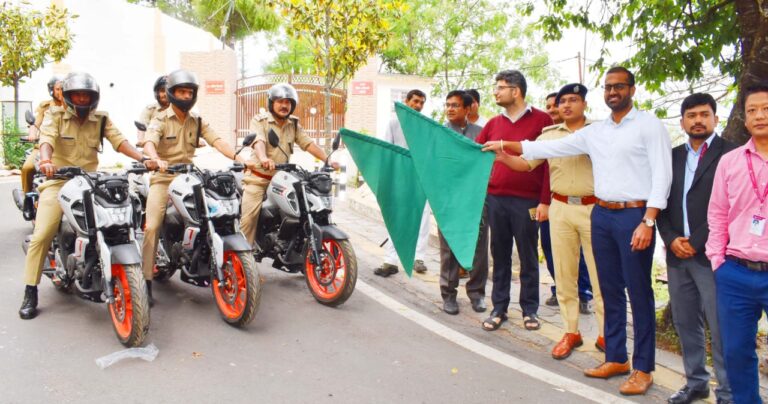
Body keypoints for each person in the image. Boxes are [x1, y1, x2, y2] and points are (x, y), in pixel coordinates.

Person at [486, 66, 672, 395]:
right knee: (611, 290)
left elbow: (663, 175)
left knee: (638, 294)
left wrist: (649, 220)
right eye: (608, 87)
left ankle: (643, 368)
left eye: (619, 87)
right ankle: (616, 357)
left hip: (634, 216)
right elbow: (545, 149)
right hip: (602, 214)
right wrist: (502, 144)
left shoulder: (648, 125)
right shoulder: (596, 132)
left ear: (631, 89)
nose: (613, 92)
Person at [18, 72, 149, 319]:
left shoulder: (101, 118)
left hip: (90, 181)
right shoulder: (54, 115)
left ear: (94, 97)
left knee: (118, 222)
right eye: (77, 94)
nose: (81, 99)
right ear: (67, 97)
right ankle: (30, 290)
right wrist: (45, 160)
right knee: (43, 233)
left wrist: (143, 158)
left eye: (86, 95)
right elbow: (46, 139)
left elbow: (119, 141)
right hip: (59, 181)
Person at [493, 83, 605, 360]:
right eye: (563, 101)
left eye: (574, 100)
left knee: (601, 277)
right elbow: (526, 164)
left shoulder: (601, 133)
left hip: (594, 209)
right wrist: (503, 157)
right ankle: (571, 332)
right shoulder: (549, 136)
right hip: (561, 208)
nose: (566, 105)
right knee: (564, 275)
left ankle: (606, 335)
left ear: (585, 105)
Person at [141, 69, 255, 305]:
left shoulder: (197, 120)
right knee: (152, 225)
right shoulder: (160, 119)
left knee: (214, 210)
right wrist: (155, 158)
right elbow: (149, 142)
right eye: (181, 91)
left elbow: (217, 140)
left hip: (189, 175)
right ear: (172, 93)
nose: (185, 96)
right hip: (163, 176)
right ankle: (145, 281)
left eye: (189, 92)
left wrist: (238, 157)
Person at [658, 93, 736, 404]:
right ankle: (696, 383)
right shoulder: (672, 156)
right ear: (682, 122)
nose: (698, 120)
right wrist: (670, 237)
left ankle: (728, 391)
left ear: (716, 119)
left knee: (720, 327)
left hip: (714, 255)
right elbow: (659, 200)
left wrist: (697, 241)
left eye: (704, 114)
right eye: (691, 116)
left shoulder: (730, 155)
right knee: (686, 322)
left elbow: (732, 206)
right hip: (677, 254)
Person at [475, 69, 553, 332]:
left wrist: (545, 201)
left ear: (515, 91)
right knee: (500, 254)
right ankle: (499, 308)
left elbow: (550, 165)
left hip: (528, 201)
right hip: (497, 199)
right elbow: (476, 153)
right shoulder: (493, 123)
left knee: (529, 255)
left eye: (500, 87)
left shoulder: (543, 121)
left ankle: (530, 310)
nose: (495, 92)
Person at [706, 83, 768, 404]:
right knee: (737, 352)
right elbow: (717, 213)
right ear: (744, 119)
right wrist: (718, 261)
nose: (759, 116)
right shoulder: (730, 162)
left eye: (766, 109)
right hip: (736, 273)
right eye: (753, 110)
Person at [239, 83, 338, 247]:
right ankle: (243, 262)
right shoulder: (260, 121)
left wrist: (327, 159)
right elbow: (259, 141)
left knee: (305, 205)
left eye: (288, 102)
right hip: (259, 179)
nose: (284, 105)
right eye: (280, 101)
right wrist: (263, 158)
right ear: (272, 103)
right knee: (249, 219)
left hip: (282, 178)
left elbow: (308, 144)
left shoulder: (293, 124)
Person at [539, 91, 595, 313]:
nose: (554, 109)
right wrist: (543, 203)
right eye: (551, 106)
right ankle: (559, 289)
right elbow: (541, 172)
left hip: (588, 206)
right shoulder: (545, 136)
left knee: (584, 255)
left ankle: (584, 292)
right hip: (551, 203)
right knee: (552, 248)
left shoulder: (594, 133)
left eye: (558, 104)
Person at [439, 90, 489, 315]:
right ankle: (448, 295)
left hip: (476, 201)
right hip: (448, 201)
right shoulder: (439, 134)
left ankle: (477, 294)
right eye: (448, 105)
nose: (450, 109)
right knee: (448, 251)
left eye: (455, 105)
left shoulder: (481, 134)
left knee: (478, 248)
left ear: (468, 109)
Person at [373, 89, 433, 276]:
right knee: (396, 219)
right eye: (415, 101)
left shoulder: (426, 127)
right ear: (406, 102)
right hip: (400, 179)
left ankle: (418, 258)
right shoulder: (393, 124)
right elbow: (387, 151)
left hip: (421, 180)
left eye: (422, 102)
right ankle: (390, 261)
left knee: (423, 220)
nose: (418, 105)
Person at [21, 75, 65, 194]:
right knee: (28, 168)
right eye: (58, 89)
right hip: (44, 146)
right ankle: (27, 198)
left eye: (63, 89)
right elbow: (35, 123)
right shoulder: (45, 106)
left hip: (66, 148)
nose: (61, 92)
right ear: (51, 90)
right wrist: (32, 133)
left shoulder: (72, 106)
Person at [136, 75, 170, 147]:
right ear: (156, 93)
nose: (165, 94)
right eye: (162, 91)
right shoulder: (150, 110)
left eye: (169, 91)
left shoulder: (179, 109)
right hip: (154, 149)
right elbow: (142, 127)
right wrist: (141, 140)